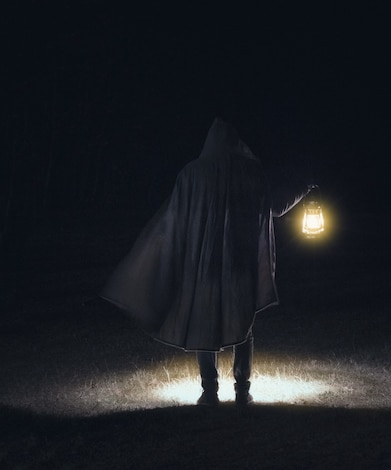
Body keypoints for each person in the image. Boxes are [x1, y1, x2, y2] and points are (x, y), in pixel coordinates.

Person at [100, 117, 314, 406]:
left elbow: (175, 218)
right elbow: (273, 208)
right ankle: (242, 390)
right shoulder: (249, 172)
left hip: (203, 261)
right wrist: (301, 189)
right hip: (239, 259)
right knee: (244, 322)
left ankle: (209, 390)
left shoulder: (191, 173)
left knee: (205, 319)